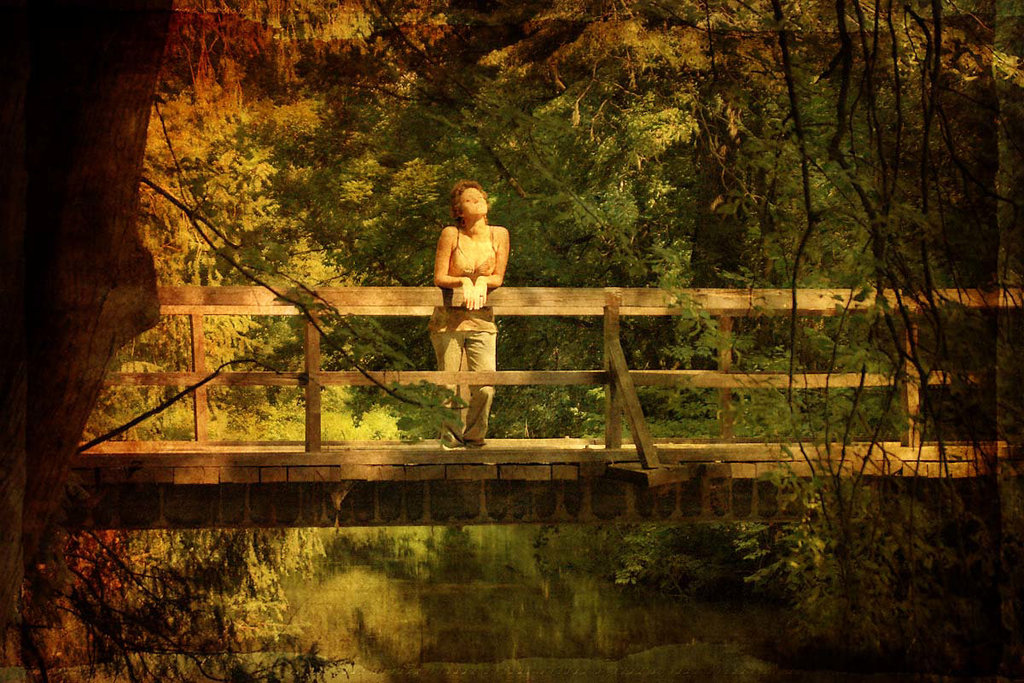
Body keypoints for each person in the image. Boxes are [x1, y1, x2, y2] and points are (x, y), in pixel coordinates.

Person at [429, 180, 510, 447]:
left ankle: (475, 438)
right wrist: (463, 281)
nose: (476, 200)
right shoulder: (451, 234)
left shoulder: (499, 234)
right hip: (448, 321)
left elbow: (498, 276)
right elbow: (439, 276)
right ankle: (451, 442)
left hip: (482, 319)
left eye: (480, 197)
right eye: (469, 199)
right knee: (448, 386)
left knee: (485, 385)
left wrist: (482, 282)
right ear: (458, 210)